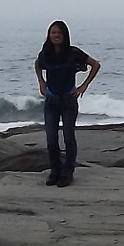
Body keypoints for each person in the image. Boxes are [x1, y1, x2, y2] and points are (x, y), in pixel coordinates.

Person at [33, 20, 100, 186]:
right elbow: (37, 64)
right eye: (53, 33)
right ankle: (55, 171)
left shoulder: (73, 52)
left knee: (68, 137)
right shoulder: (46, 53)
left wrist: (83, 86)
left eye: (59, 33)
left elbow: (95, 64)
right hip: (51, 100)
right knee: (51, 138)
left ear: (65, 35)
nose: (56, 36)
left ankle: (67, 172)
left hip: (68, 100)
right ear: (49, 35)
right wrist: (41, 82)